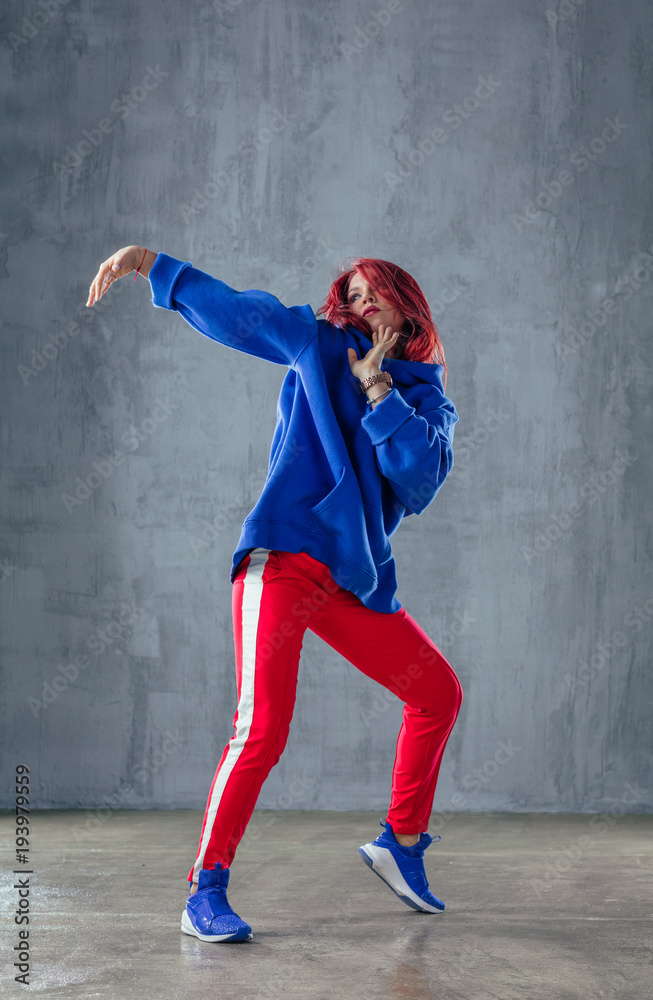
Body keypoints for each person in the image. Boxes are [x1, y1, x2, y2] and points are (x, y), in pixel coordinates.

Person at [86, 244, 464, 943]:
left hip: (352, 579)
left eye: (370, 291)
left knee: (437, 693)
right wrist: (152, 266)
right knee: (261, 729)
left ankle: (401, 845)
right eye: (348, 294)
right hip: (284, 561)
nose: (358, 305)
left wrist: (377, 386)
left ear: (402, 299)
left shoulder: (426, 395)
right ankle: (205, 891)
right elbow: (242, 315)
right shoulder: (316, 342)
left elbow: (416, 480)